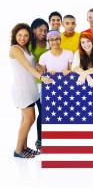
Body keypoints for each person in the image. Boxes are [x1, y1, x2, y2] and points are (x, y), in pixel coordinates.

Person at [9, 23, 53, 158]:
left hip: (30, 89)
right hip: (22, 89)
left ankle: (24, 147)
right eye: (20, 35)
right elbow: (27, 66)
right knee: (29, 119)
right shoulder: (15, 49)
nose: (23, 38)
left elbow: (33, 63)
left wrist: (42, 67)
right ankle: (17, 150)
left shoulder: (26, 49)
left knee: (25, 120)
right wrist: (41, 77)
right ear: (15, 36)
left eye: (26, 35)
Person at [29, 18, 50, 151]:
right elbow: (27, 61)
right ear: (34, 30)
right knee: (42, 112)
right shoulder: (30, 44)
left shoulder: (49, 43)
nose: (43, 33)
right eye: (40, 30)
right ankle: (40, 141)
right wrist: (37, 66)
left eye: (45, 30)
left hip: (48, 82)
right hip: (35, 83)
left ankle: (49, 138)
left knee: (47, 111)